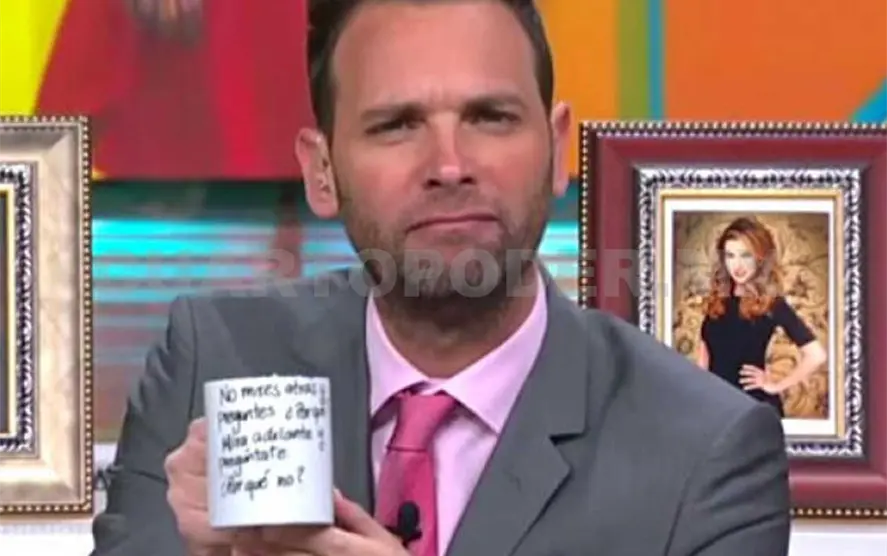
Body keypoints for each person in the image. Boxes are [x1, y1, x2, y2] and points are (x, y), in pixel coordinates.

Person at [90, 1, 792, 555]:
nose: (449, 165)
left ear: (556, 152)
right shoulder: (211, 362)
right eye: (396, 125)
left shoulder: (706, 451)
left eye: (490, 118)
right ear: (322, 172)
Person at [697, 216, 828, 417]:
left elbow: (816, 355)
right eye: (730, 256)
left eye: (746, 255)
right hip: (717, 407)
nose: (737, 265)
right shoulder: (717, 300)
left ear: (760, 257)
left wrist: (775, 386)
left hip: (753, 407)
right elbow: (704, 359)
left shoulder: (772, 304)